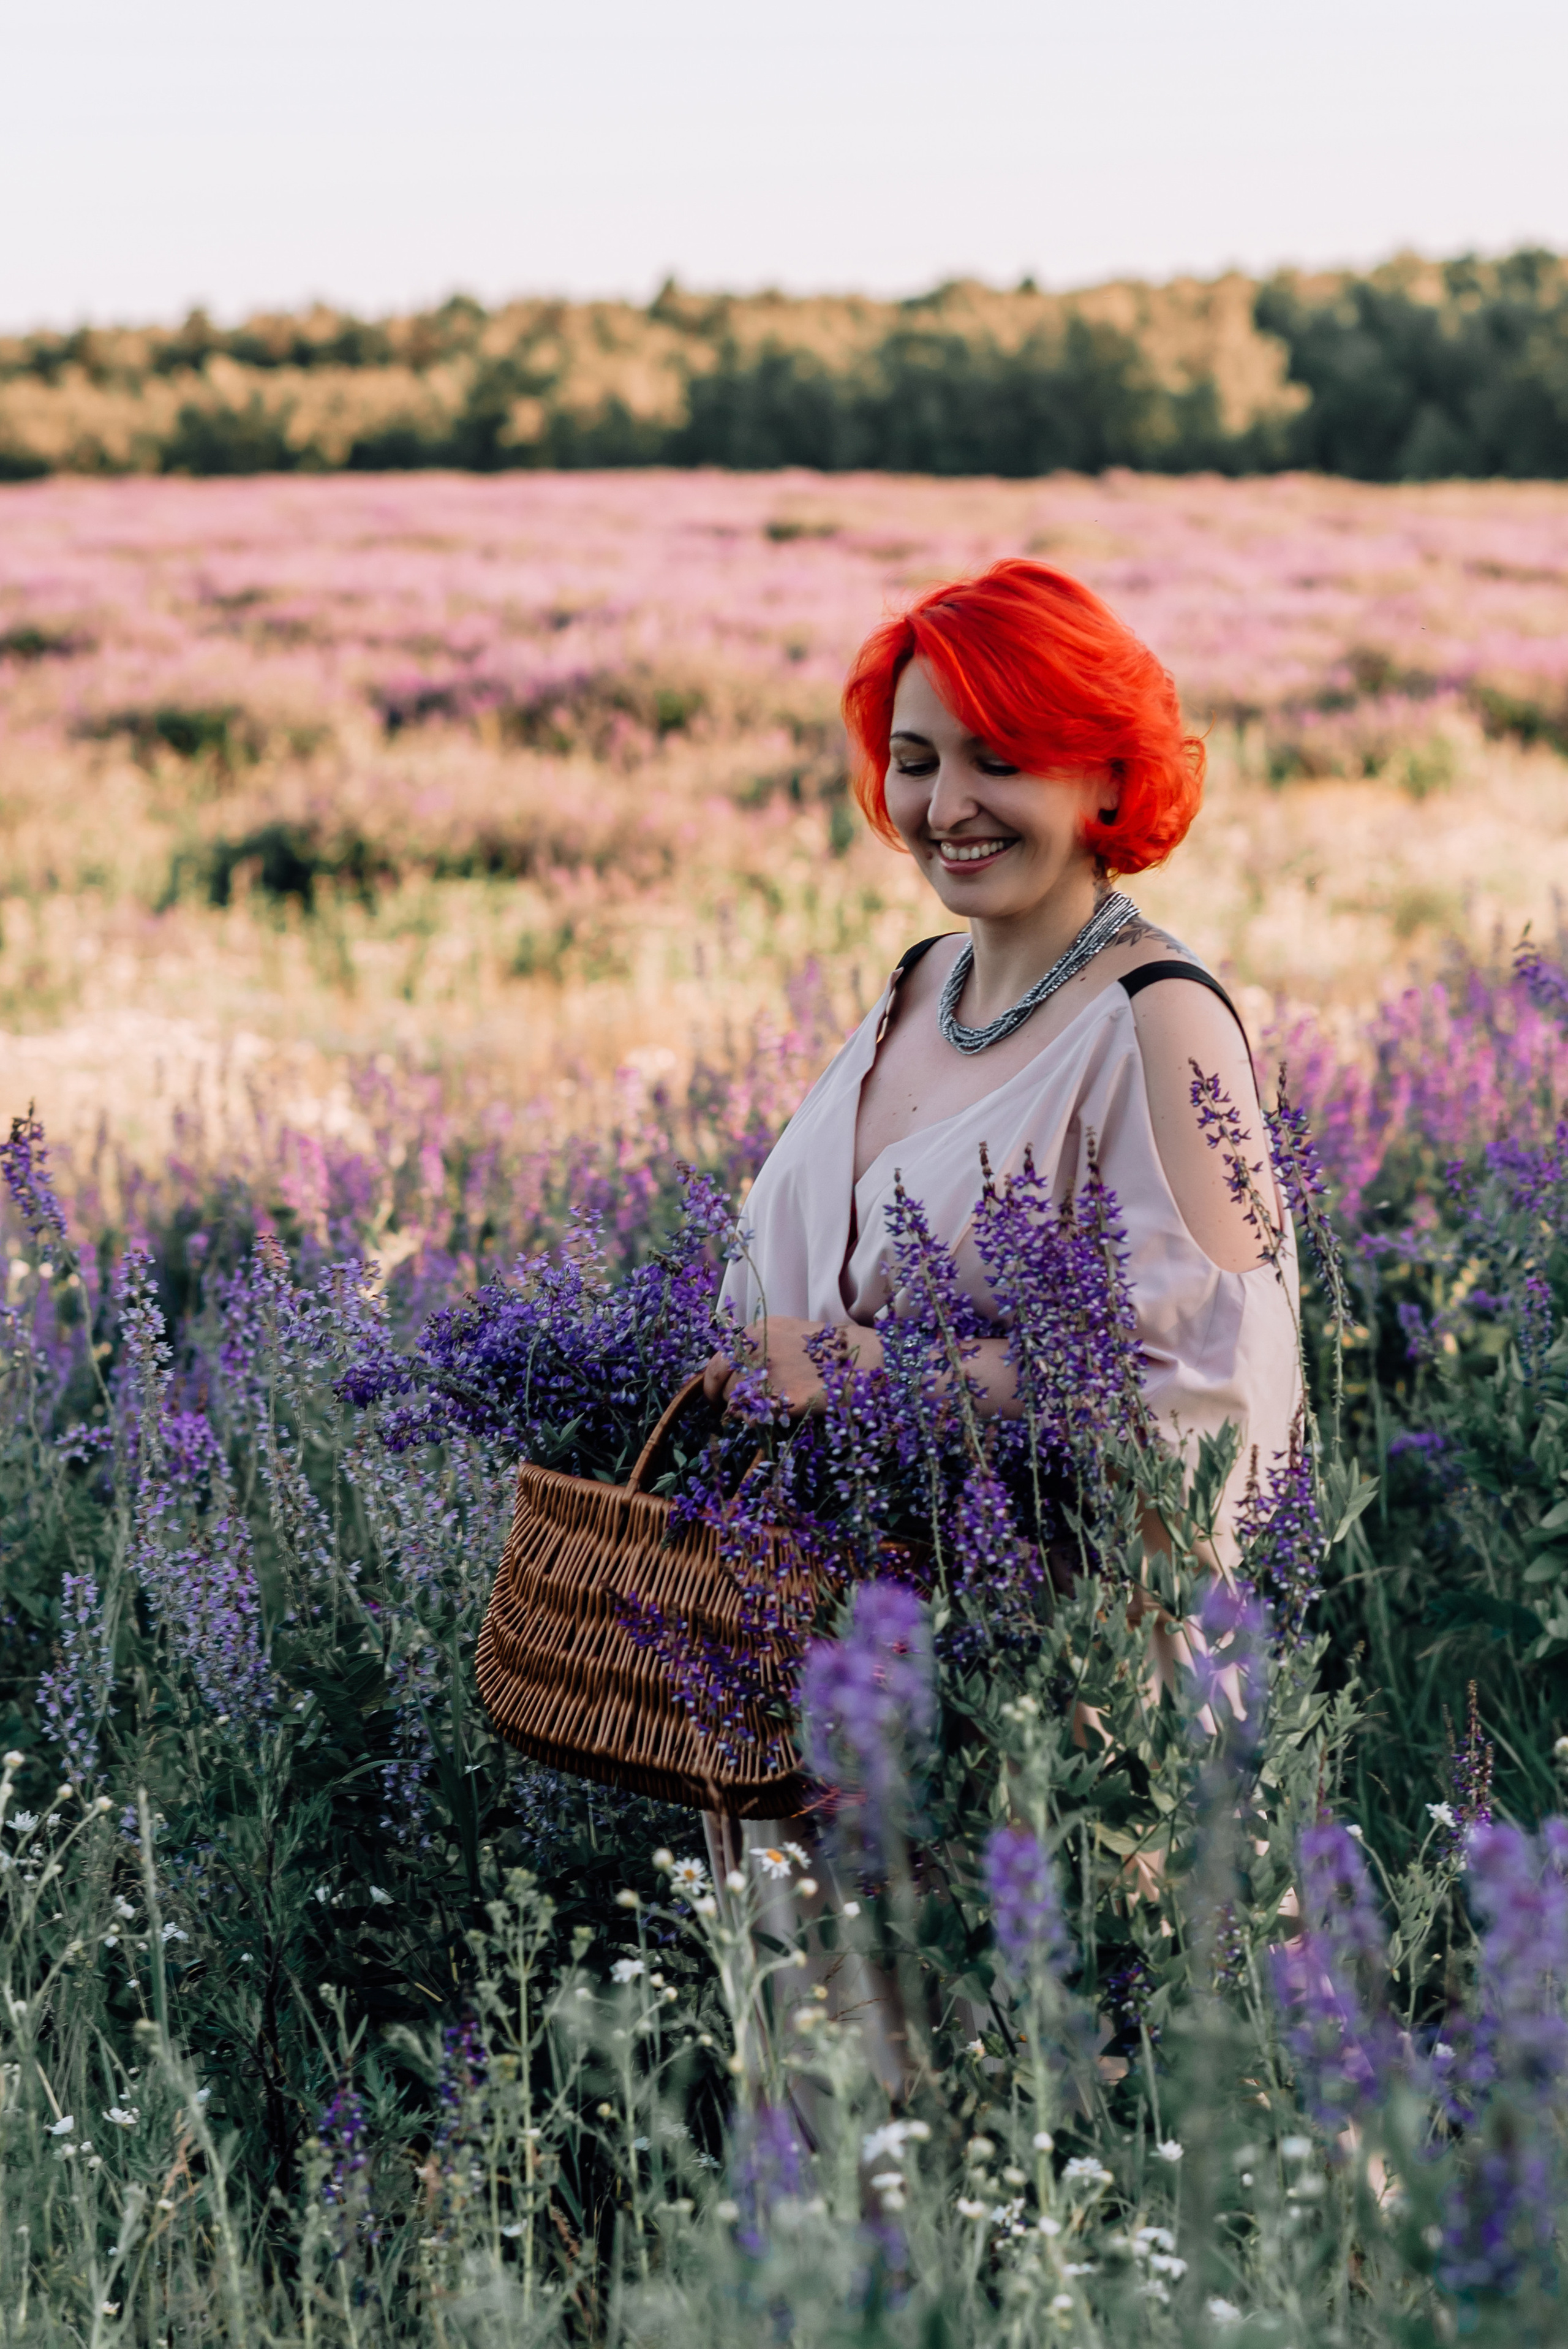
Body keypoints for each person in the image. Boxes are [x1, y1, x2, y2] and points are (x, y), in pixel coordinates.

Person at [698, 558, 1301, 2092]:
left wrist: (843, 1375)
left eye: (998, 756)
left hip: (1045, 1734)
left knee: (1060, 2156)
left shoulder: (1159, 1023)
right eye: (913, 759)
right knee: (854, 2185)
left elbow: (1199, 1396)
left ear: (1104, 771)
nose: (944, 802)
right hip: (821, 1702)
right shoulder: (920, 987)